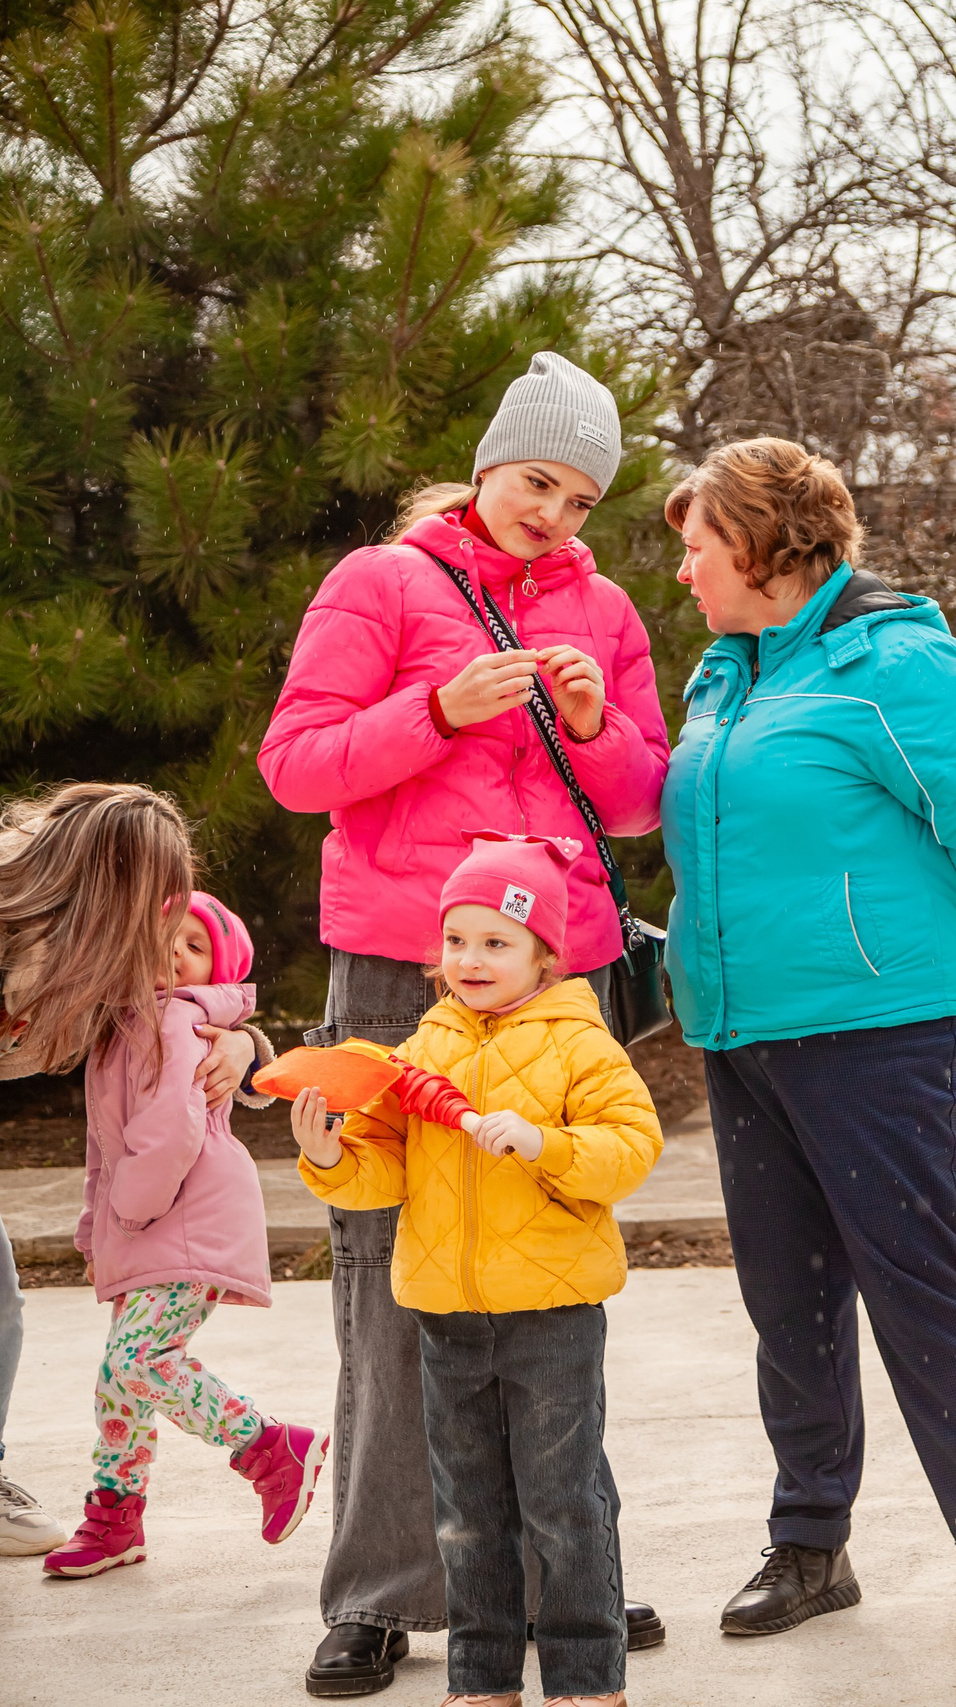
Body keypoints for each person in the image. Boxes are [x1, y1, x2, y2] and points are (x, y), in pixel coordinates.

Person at [258, 351, 669, 1695]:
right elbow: (296, 762)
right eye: (536, 479)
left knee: (553, 1261)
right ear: (490, 465)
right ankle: (380, 1588)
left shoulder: (602, 606)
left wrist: (598, 721)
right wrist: (437, 708)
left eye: (579, 493)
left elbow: (636, 801)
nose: (553, 510)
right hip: (401, 959)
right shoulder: (382, 582)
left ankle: (568, 1572)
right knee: (387, 1268)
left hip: (559, 970)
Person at [656, 438, 956, 1648]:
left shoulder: (897, 659)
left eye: (699, 545)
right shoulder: (725, 675)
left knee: (917, 1287)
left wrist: (914, 959)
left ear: (770, 548)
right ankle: (810, 1544)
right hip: (740, 1030)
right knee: (789, 1302)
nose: (682, 570)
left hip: (874, 1031)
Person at [293, 833, 664, 1707]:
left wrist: (545, 1143)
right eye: (456, 940)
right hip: (446, 1317)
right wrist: (331, 1159)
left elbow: (630, 1146)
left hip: (550, 1316)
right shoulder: (426, 1045)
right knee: (468, 1515)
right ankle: (482, 1679)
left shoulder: (581, 1043)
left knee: (563, 1507)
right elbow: (388, 1164)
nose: (470, 958)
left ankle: (583, 1679)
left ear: (545, 953)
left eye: (496, 941)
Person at [0, 783, 272, 1559]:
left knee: (57, 1329)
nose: (161, 931)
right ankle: (134, 1506)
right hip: (142, 1222)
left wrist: (248, 1047)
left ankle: (250, 1456)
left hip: (168, 1225)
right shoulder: (46, 935)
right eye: (157, 908)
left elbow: (179, 1082)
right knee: (118, 1370)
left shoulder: (130, 982)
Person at [42, 892, 324, 1577]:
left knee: (141, 1356)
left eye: (193, 945)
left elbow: (172, 1132)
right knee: (121, 1374)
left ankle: (268, 1448)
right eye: (162, 935)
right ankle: (115, 1514)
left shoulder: (176, 1021)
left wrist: (128, 1216)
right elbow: (101, 1148)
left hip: (186, 1212)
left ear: (215, 970)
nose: (173, 950)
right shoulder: (119, 1024)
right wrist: (94, 1234)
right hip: (145, 1219)